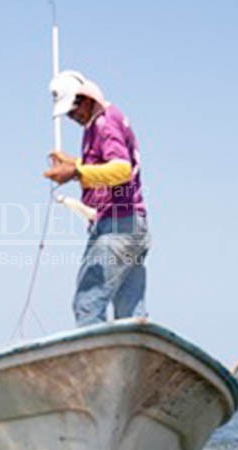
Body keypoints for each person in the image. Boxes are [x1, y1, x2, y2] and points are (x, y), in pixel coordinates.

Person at [43, 70, 150, 327]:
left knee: (88, 302)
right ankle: (132, 365)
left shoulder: (104, 123)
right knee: (130, 310)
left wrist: (76, 172)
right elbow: (107, 164)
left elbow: (121, 169)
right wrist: (76, 162)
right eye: (68, 113)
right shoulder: (102, 123)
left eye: (74, 109)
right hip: (133, 224)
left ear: (87, 97)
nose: (73, 116)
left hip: (117, 225)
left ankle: (97, 363)